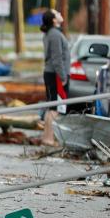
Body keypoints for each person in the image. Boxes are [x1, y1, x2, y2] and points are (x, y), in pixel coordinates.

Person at [41, 9, 70, 145]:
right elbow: (57, 58)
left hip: (50, 73)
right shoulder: (55, 35)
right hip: (55, 74)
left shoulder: (51, 34)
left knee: (51, 106)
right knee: (55, 108)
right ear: (54, 20)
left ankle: (47, 137)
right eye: (57, 13)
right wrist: (63, 77)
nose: (60, 13)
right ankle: (49, 138)